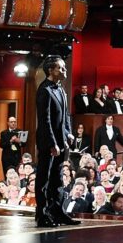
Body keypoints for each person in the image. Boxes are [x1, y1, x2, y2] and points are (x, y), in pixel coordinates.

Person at [35, 56, 77, 228]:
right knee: (44, 180)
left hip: (61, 141)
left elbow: (65, 115)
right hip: (49, 142)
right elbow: (45, 120)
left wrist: (68, 133)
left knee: (57, 180)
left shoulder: (61, 89)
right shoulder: (44, 90)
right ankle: (42, 215)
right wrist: (52, 143)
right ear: (51, 70)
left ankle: (57, 212)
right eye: (61, 68)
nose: (64, 70)